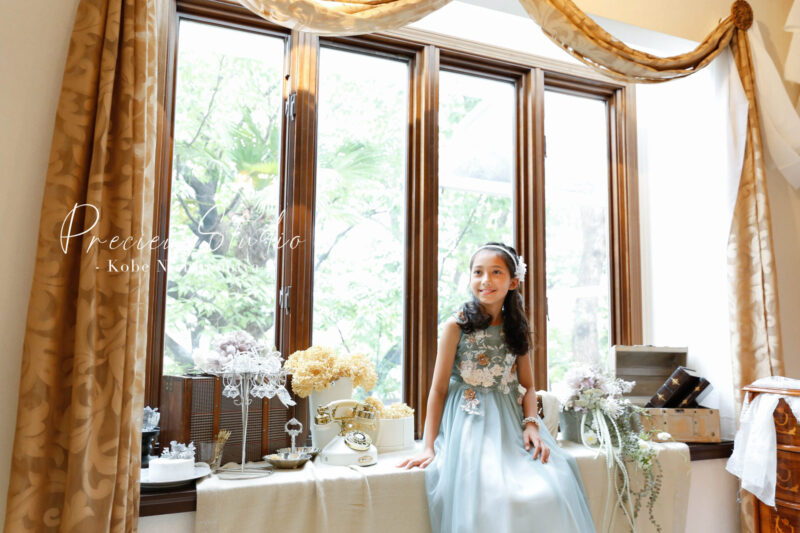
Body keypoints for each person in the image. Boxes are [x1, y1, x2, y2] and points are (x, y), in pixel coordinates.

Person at [397, 242, 596, 533]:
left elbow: (528, 386)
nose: (485, 280)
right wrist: (428, 447)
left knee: (554, 483)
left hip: (510, 419)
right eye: (478, 272)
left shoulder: (517, 327)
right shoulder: (456, 326)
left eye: (496, 272)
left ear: (513, 282)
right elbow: (438, 390)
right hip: (468, 417)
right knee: (492, 491)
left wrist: (531, 424)